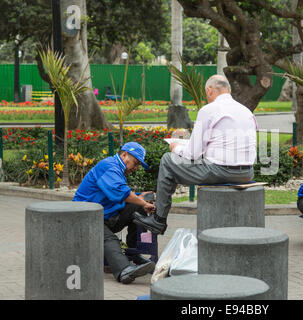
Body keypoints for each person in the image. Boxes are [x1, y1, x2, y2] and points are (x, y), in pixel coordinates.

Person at [133, 75, 258, 235]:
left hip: (220, 171)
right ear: (229, 90)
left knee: (167, 160)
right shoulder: (246, 111)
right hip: (247, 173)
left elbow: (192, 154)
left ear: (209, 90)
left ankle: (158, 220)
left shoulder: (209, 110)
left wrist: (176, 147)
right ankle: (158, 218)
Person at [73, 142, 156, 284]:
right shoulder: (109, 166)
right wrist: (143, 202)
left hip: (103, 215)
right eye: (135, 163)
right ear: (124, 155)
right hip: (86, 218)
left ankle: (134, 254)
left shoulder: (117, 168)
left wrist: (140, 196)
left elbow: (119, 192)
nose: (136, 168)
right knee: (109, 239)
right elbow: (119, 192)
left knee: (137, 208)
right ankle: (124, 270)